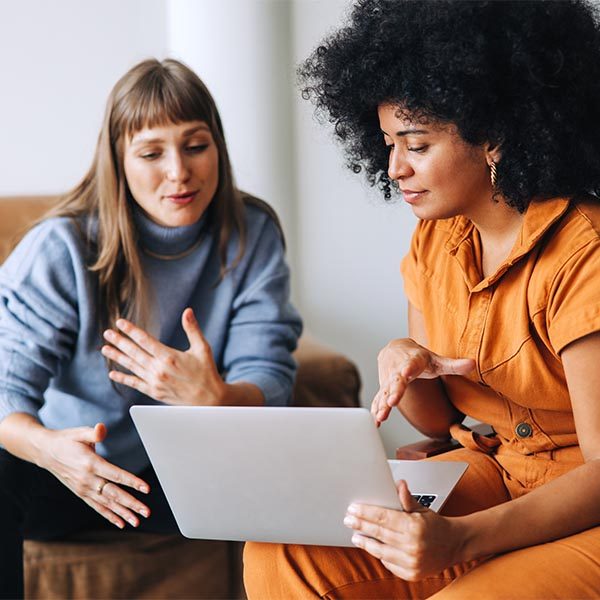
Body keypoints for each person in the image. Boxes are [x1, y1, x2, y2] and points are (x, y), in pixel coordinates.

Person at [243, 1, 600, 598]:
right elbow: (437, 421)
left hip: (583, 506)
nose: (394, 168)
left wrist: (462, 540)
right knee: (287, 551)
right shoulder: (436, 238)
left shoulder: (583, 251)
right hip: (495, 470)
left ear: (496, 137)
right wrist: (405, 361)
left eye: (416, 143)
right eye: (387, 143)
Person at [0, 58, 302, 599]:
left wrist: (214, 397)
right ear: (119, 160)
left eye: (195, 145)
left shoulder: (251, 231)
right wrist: (50, 451)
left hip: (174, 478)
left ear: (218, 148)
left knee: (314, 477)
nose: (179, 172)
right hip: (62, 471)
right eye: (151, 153)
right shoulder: (61, 246)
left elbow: (269, 372)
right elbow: (5, 392)